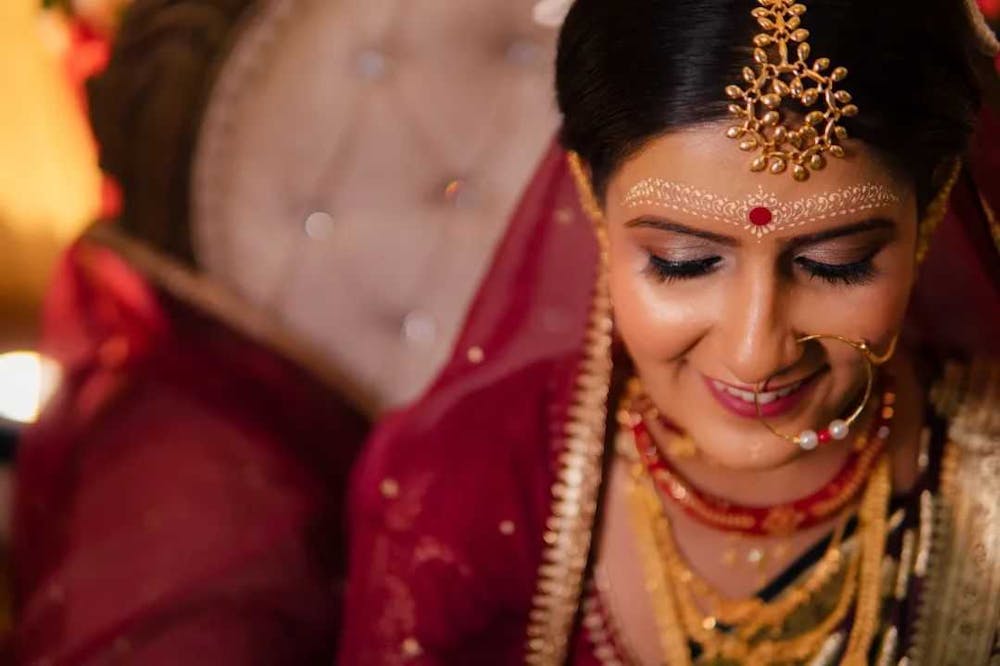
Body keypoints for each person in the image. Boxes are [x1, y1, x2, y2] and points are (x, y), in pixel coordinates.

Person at [338, 0, 1000, 663]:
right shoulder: (460, 488)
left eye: (836, 265)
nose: (756, 351)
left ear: (934, 204)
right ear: (595, 205)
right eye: (684, 263)